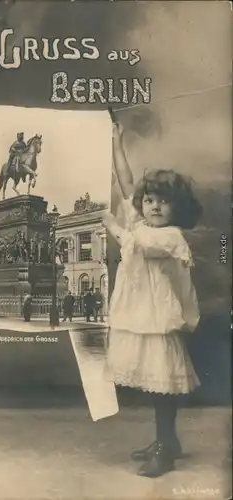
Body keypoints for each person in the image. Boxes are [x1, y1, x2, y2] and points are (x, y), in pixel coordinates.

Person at [103, 121, 202, 478]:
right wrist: (117, 145)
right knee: (153, 382)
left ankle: (165, 445)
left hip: (158, 318)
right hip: (138, 314)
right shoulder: (141, 222)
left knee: (162, 385)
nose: (154, 206)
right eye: (150, 200)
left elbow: (139, 244)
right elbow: (127, 184)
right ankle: (167, 440)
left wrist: (111, 223)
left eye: (163, 202)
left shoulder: (170, 237)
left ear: (177, 209)